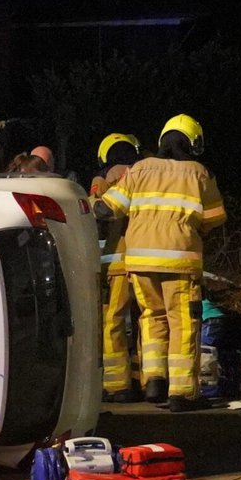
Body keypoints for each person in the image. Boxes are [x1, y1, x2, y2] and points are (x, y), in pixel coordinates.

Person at [98, 115, 225, 411]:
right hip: (180, 259)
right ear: (192, 142)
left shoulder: (140, 169)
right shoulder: (199, 173)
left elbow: (108, 208)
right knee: (182, 323)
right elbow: (215, 216)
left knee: (151, 318)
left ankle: (154, 380)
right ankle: (182, 393)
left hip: (140, 260)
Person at [90, 133, 143, 401]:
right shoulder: (146, 175)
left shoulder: (103, 179)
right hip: (147, 259)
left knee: (113, 322)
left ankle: (117, 385)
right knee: (148, 322)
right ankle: (146, 380)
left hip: (117, 260)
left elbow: (94, 216)